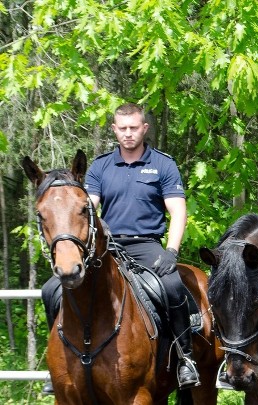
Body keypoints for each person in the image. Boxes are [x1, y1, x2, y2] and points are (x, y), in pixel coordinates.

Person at [41, 102, 200, 392]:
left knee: (173, 285)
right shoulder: (101, 166)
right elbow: (85, 210)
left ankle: (185, 357)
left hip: (146, 244)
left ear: (144, 128)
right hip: (107, 246)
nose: (128, 134)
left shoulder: (163, 164)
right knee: (51, 289)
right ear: (114, 130)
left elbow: (178, 211)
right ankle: (59, 361)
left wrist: (171, 252)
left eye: (133, 128)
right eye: (122, 128)